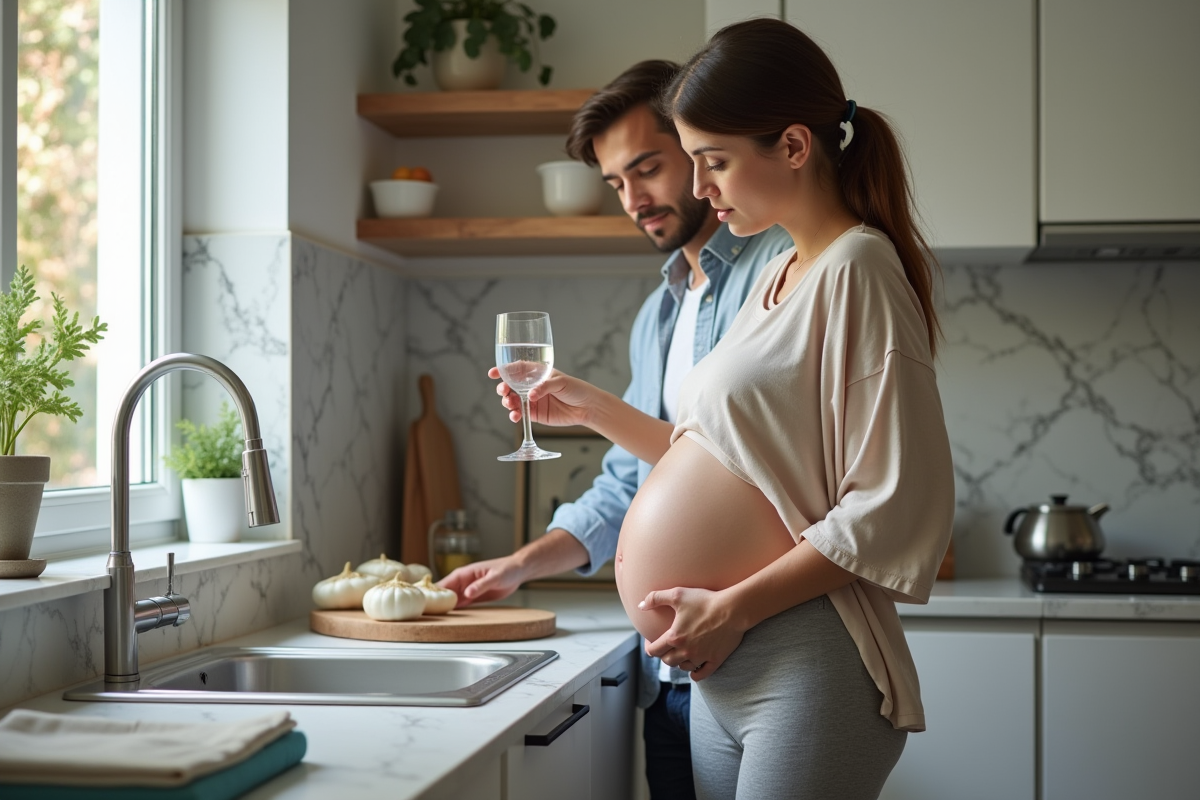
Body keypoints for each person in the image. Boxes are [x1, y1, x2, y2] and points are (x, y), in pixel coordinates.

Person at [488, 19, 955, 800]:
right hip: (717, 669)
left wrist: (732, 607)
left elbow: (892, 503)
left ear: (795, 147)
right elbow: (715, 454)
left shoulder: (857, 268)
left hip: (799, 657)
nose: (701, 188)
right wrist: (590, 406)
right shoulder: (784, 279)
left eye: (715, 162)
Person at [439, 60, 792, 798]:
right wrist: (521, 566)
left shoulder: (778, 272)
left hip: (753, 658)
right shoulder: (659, 312)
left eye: (647, 168)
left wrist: (594, 407)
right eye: (614, 184)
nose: (634, 200)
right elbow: (631, 483)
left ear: (698, 154)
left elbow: (750, 469)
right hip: (665, 676)